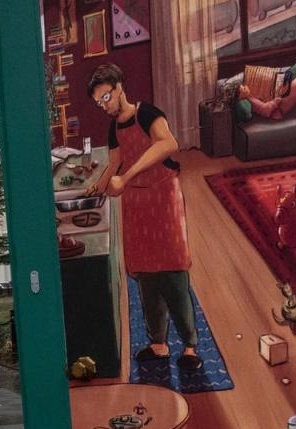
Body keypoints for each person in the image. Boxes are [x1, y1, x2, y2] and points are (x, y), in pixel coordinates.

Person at [85, 62, 202, 372]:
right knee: (146, 277)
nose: (105, 105)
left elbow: (168, 144)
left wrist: (128, 175)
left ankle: (189, 345)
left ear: (120, 86)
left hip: (162, 196)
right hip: (136, 202)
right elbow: (114, 162)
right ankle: (159, 343)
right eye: (99, 102)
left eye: (107, 97)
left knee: (173, 272)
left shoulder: (147, 113)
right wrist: (96, 187)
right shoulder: (114, 127)